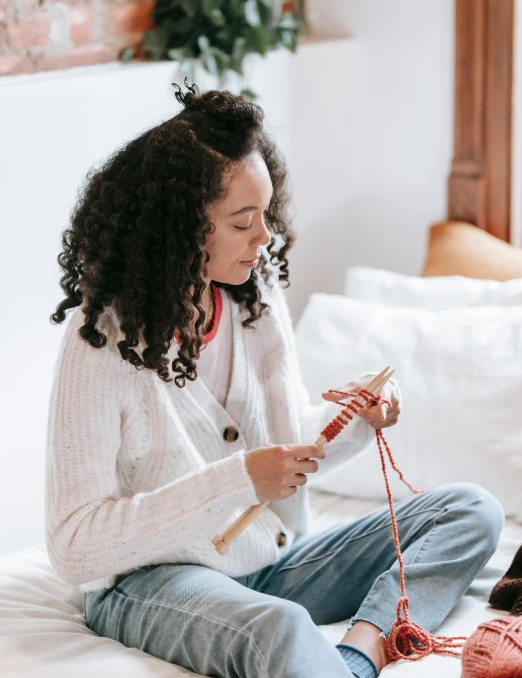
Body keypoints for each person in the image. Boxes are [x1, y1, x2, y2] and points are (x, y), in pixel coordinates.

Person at [45, 82, 504, 678]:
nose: (264, 238)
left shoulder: (252, 300)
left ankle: (361, 649)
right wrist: (237, 480)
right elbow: (73, 543)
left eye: (266, 215)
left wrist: (354, 419)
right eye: (242, 222)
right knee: (281, 627)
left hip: (272, 559)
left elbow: (290, 444)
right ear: (179, 227)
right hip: (152, 579)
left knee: (472, 510)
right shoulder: (101, 339)